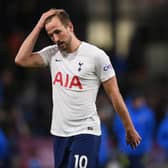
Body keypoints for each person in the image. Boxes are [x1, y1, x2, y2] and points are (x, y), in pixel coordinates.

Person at [15, 8, 141, 168]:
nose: (55, 38)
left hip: (85, 132)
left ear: (70, 27)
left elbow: (114, 94)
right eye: (51, 35)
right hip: (59, 133)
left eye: (58, 32)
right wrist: (39, 25)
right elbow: (21, 59)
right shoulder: (52, 54)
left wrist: (129, 128)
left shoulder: (96, 56)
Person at [113, 92, 155, 168]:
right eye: (137, 101)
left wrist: (147, 148)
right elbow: (117, 129)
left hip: (142, 150)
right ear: (133, 101)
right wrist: (122, 145)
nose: (139, 103)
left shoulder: (148, 113)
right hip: (126, 149)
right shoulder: (124, 112)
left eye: (141, 101)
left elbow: (150, 131)